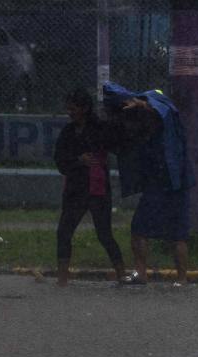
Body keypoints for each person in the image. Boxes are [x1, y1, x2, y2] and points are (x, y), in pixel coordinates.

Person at [102, 82, 196, 285]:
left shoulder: (155, 101)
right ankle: (148, 273)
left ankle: (177, 277)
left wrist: (143, 105)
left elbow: (163, 108)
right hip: (163, 180)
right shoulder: (139, 124)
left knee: (171, 233)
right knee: (146, 229)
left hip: (171, 180)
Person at [54, 88, 126, 286]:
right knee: (64, 232)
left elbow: (116, 142)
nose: (70, 112)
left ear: (84, 108)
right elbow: (59, 160)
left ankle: (122, 274)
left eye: (73, 108)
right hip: (75, 189)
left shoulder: (100, 128)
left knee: (104, 234)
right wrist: (78, 160)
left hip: (97, 188)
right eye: (68, 108)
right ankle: (62, 279)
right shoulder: (68, 132)